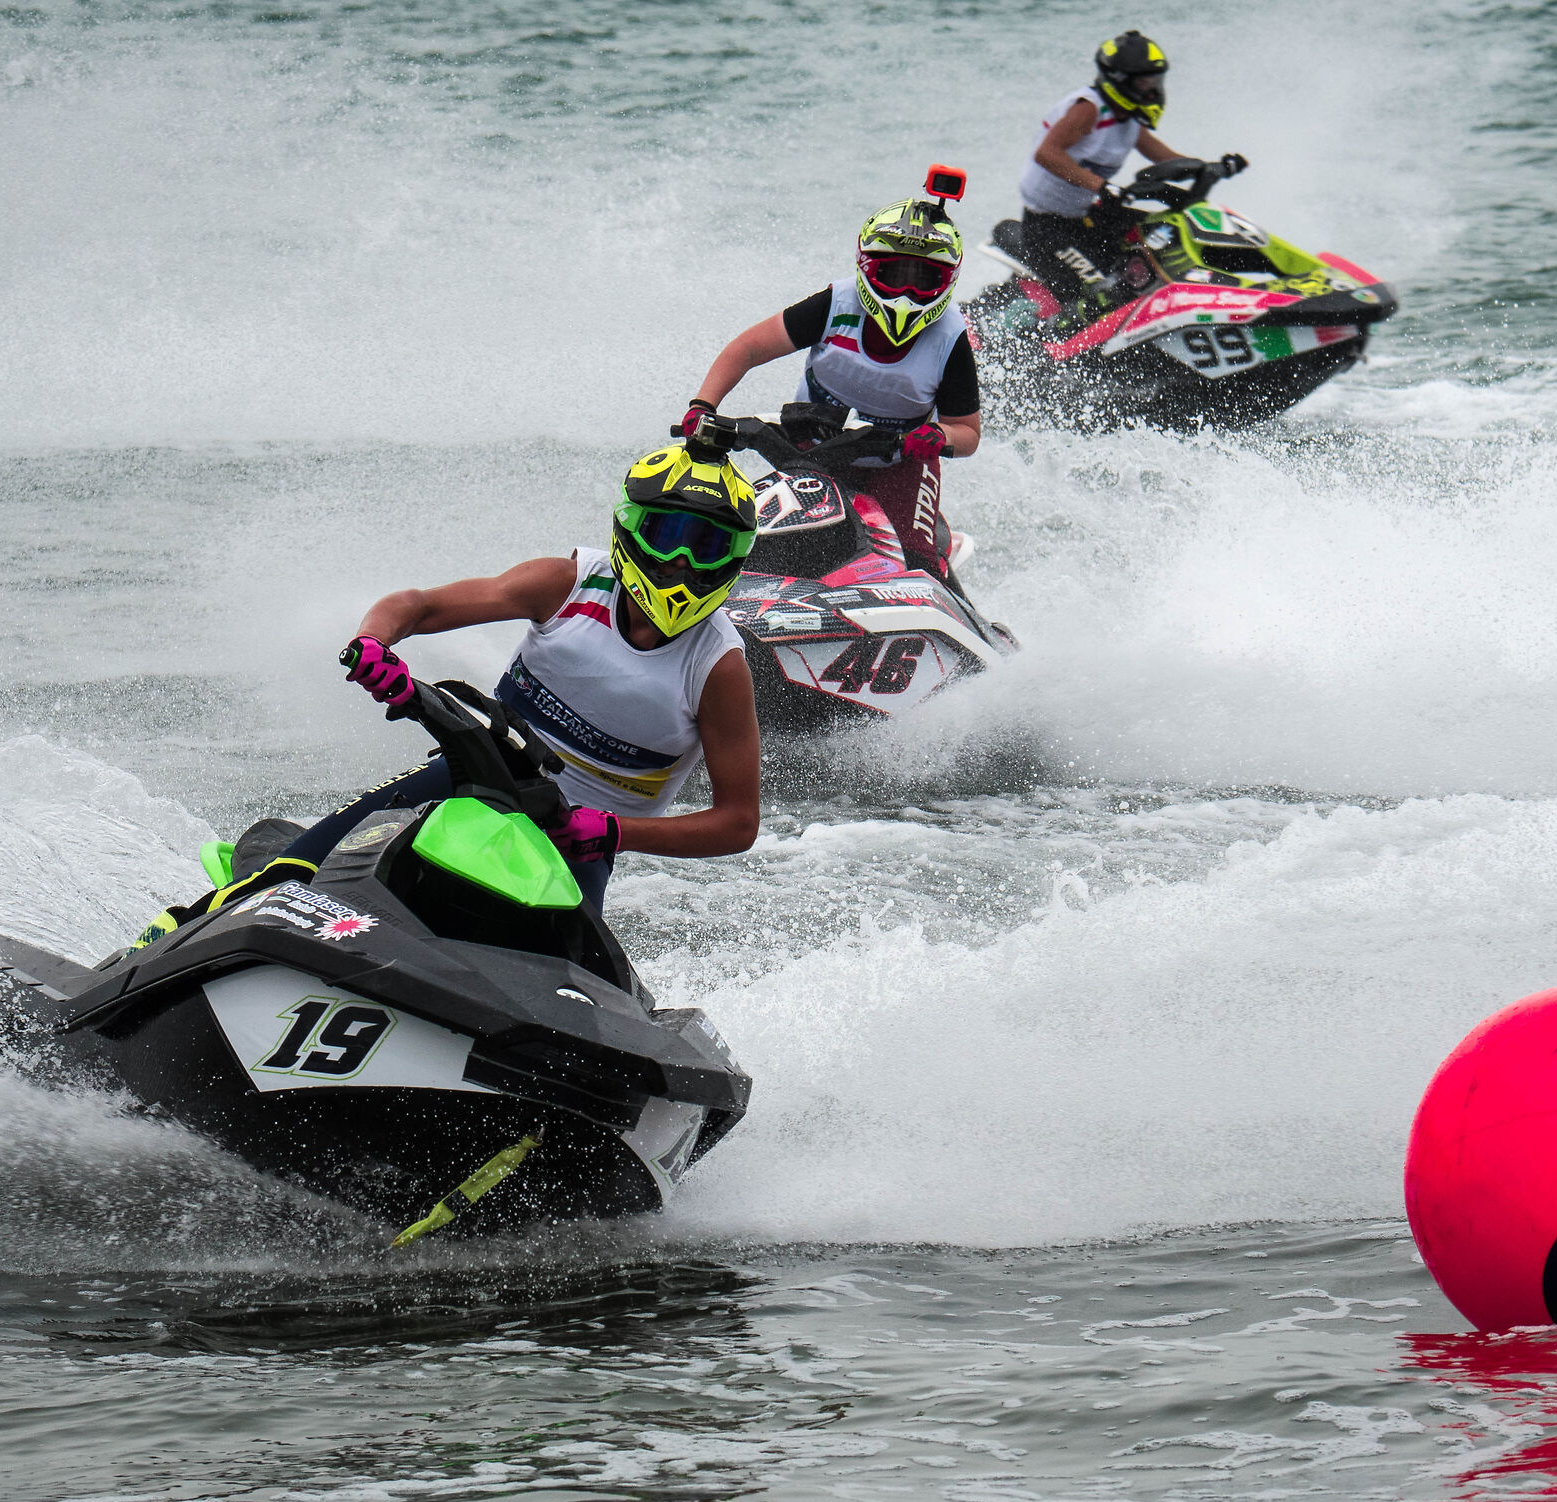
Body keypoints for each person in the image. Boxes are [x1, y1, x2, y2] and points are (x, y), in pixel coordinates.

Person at [129, 443, 762, 948]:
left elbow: (738, 823)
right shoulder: (565, 584)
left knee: (578, 980)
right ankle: (179, 931)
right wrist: (372, 645)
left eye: (705, 546)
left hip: (575, 841)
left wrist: (611, 832)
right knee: (292, 876)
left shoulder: (718, 668)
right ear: (630, 528)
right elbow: (418, 606)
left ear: (733, 558)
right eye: (665, 535)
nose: (679, 562)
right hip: (472, 775)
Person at [683, 194, 979, 586]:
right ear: (867, 267)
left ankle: (965, 617)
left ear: (948, 281)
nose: (906, 291)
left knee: (916, 564)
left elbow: (968, 433)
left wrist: (934, 436)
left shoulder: (950, 338)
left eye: (924, 279)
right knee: (768, 542)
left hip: (900, 465)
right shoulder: (835, 304)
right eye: (894, 274)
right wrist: (703, 405)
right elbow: (748, 348)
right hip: (814, 453)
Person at [1016, 30, 1240, 305]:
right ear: (1121, 80)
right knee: (1100, 294)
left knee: (1167, 242)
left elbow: (1165, 157)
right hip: (1047, 228)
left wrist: (1208, 168)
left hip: (1087, 217)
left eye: (1156, 80)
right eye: (1146, 81)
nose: (1153, 89)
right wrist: (1102, 186)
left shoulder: (1128, 119)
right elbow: (1047, 154)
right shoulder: (1089, 108)